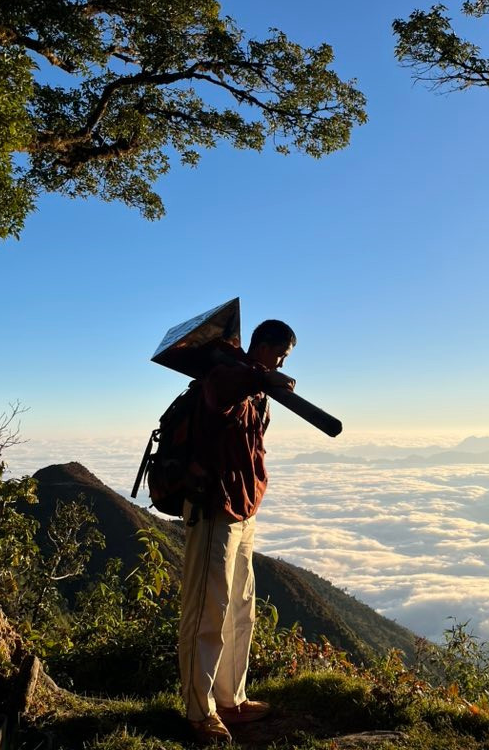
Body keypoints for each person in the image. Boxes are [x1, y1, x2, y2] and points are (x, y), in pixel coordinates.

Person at [178, 319, 297, 745]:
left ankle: (232, 699)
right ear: (260, 346)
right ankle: (199, 711)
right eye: (279, 354)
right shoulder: (226, 373)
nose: (281, 363)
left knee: (240, 607)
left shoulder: (254, 387)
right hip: (213, 507)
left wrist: (263, 382)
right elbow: (220, 393)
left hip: (243, 510)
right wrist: (260, 377)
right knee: (207, 610)